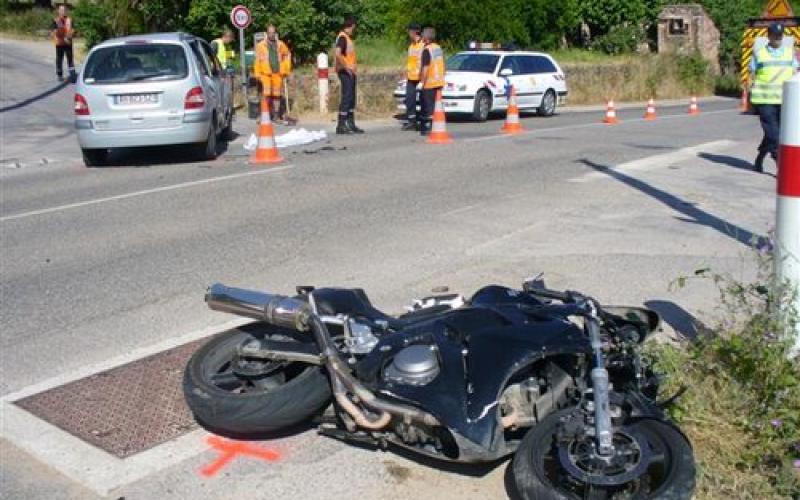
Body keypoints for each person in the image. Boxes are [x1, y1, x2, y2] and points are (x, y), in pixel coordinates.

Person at [749, 22, 798, 172]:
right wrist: (749, 94)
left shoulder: (790, 53)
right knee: (773, 134)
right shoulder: (759, 54)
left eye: (780, 36)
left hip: (785, 101)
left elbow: (795, 75)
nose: (777, 38)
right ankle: (780, 164)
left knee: (775, 134)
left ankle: (760, 157)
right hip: (765, 100)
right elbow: (751, 75)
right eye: (775, 35)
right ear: (768, 36)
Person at [254, 24, 294, 125]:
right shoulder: (261, 45)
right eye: (270, 33)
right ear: (267, 33)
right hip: (265, 74)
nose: (271, 34)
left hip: (277, 73)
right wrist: (257, 74)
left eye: (273, 32)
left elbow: (287, 55)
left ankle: (276, 116)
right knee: (266, 95)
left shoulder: (280, 44)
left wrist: (286, 69)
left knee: (277, 95)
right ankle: (264, 115)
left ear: (275, 33)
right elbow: (257, 60)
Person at [335, 17, 364, 134]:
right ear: (351, 26)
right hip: (345, 72)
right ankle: (341, 125)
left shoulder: (347, 38)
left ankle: (351, 124)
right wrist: (346, 67)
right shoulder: (342, 37)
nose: (354, 30)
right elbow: (337, 54)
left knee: (351, 98)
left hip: (351, 72)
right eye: (354, 28)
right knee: (346, 98)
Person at [418, 27, 446, 136]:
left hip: (429, 83)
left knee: (428, 107)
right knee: (436, 107)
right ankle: (436, 125)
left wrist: (422, 82)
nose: (421, 37)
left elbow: (425, 68)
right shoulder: (438, 48)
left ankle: (428, 128)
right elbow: (442, 64)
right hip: (439, 82)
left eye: (423, 36)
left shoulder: (427, 50)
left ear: (426, 37)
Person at [402, 23, 424, 131]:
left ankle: (424, 121)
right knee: (409, 99)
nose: (408, 34)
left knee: (423, 100)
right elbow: (410, 61)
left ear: (414, 32)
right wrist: (406, 71)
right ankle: (412, 121)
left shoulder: (423, 45)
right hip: (411, 77)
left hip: (421, 77)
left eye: (409, 31)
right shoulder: (411, 46)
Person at [51, 4, 75, 82]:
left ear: (66, 11)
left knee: (70, 59)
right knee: (59, 59)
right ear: (58, 11)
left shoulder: (70, 20)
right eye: (61, 10)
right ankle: (59, 75)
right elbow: (54, 31)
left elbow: (73, 30)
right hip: (60, 43)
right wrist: (61, 35)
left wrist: (69, 36)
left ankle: (72, 75)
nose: (62, 12)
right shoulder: (56, 20)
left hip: (68, 43)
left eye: (64, 10)